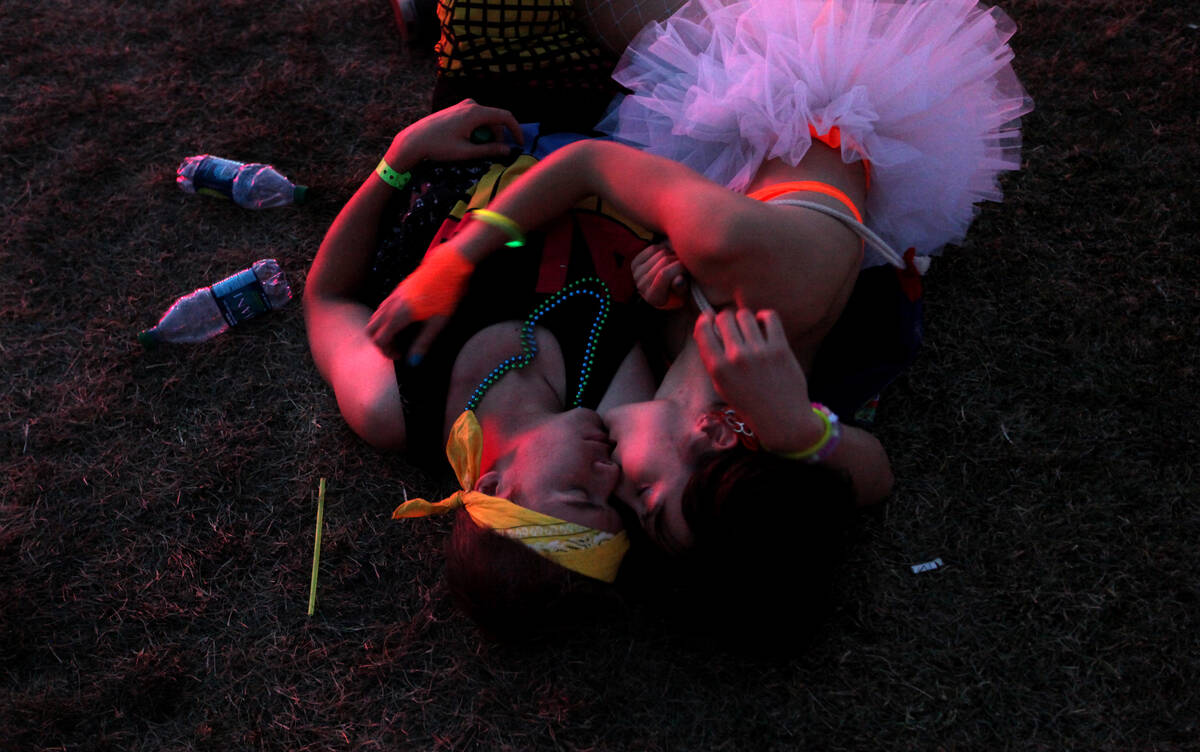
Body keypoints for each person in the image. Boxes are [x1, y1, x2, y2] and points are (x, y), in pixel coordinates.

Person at [365, 0, 1032, 632]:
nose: (614, 486)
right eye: (645, 497)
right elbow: (589, 165)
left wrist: (672, 304)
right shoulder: (744, 260)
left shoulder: (723, 387)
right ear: (716, 432)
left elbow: (872, 476)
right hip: (784, 68)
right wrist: (456, 261)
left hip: (744, 188)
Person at [305, 100, 662, 637]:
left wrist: (399, 157)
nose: (611, 473)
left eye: (580, 496)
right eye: (611, 501)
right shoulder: (617, 400)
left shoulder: (394, 401)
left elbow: (327, 297)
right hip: (638, 130)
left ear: (495, 487)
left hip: (497, 120)